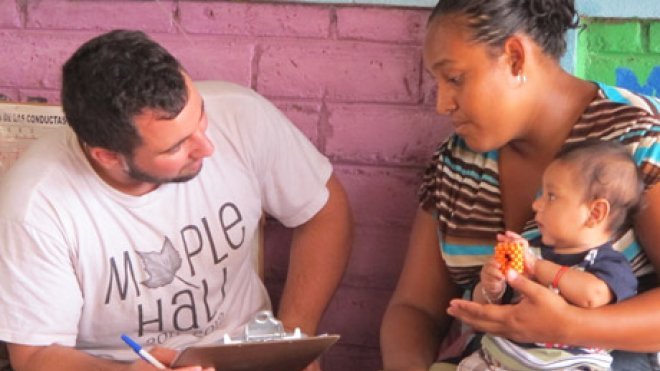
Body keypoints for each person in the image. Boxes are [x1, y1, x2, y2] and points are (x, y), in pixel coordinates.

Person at [0, 29, 353, 371]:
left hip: (248, 354)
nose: (207, 146)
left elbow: (323, 210)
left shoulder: (241, 115)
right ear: (107, 156)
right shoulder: (35, 205)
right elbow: (34, 356)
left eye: (199, 115)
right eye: (176, 146)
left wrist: (292, 337)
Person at [379, 0, 659, 370]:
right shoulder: (457, 164)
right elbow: (414, 309)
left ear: (514, 57)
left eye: (455, 78)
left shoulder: (636, 142)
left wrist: (572, 325)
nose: (442, 104)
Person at [460, 140, 642, 370]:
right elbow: (488, 311)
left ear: (595, 213)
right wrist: (491, 288)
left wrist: (536, 267)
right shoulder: (532, 248)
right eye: (541, 194)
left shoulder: (610, 264)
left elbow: (592, 295)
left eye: (551, 196)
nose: (536, 204)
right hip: (500, 359)